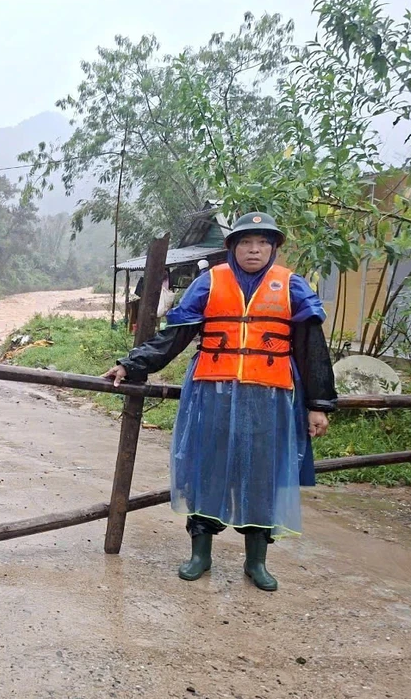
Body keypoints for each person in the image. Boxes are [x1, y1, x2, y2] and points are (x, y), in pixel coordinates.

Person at [102, 213, 336, 591]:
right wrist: (131, 364)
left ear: (274, 247)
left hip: (270, 399)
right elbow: (174, 337)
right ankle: (200, 554)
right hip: (210, 394)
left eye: (263, 242)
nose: (254, 249)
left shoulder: (292, 287)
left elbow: (313, 351)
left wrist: (319, 404)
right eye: (246, 242)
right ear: (232, 248)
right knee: (205, 467)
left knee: (262, 474)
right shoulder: (208, 283)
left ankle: (256, 562)